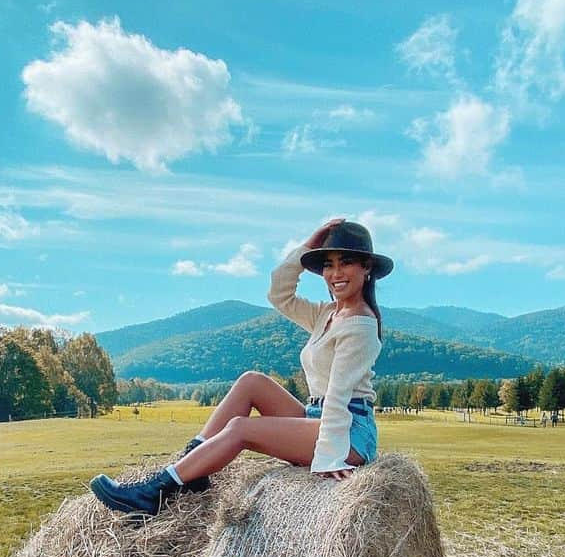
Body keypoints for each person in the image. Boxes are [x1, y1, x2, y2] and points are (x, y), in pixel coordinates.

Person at [89, 218, 393, 516]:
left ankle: (154, 492)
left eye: (346, 262)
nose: (335, 273)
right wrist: (307, 247)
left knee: (240, 428)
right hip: (317, 414)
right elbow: (279, 294)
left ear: (367, 268)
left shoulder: (360, 325)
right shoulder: (328, 314)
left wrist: (330, 457)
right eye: (328, 264)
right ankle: (193, 464)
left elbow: (339, 397)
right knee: (252, 381)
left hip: (348, 432)